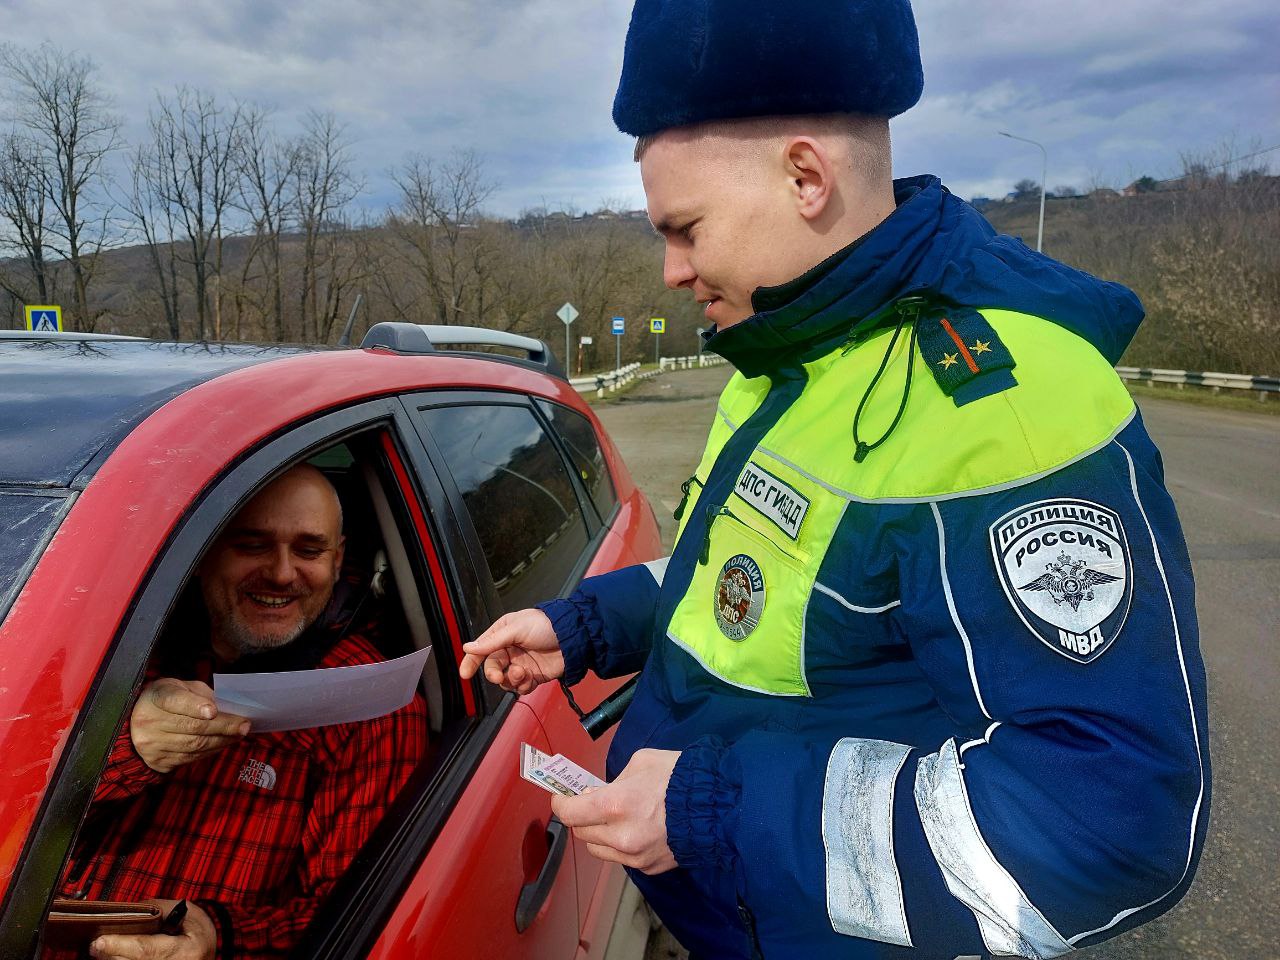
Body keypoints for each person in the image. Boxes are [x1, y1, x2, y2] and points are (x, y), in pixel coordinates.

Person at [459, 1, 1210, 957]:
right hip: (733, 920)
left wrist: (712, 814)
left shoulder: (1003, 409)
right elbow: (754, 590)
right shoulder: (789, 357)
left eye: (685, 229)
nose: (671, 272)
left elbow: (1108, 822)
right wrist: (586, 626)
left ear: (806, 176)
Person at [56, 465, 427, 960]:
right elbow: (20, 805)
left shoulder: (364, 701)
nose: (281, 573)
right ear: (202, 552)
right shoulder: (111, 645)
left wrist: (218, 934)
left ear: (338, 561)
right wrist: (126, 751)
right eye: (252, 545)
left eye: (309, 551)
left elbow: (352, 914)